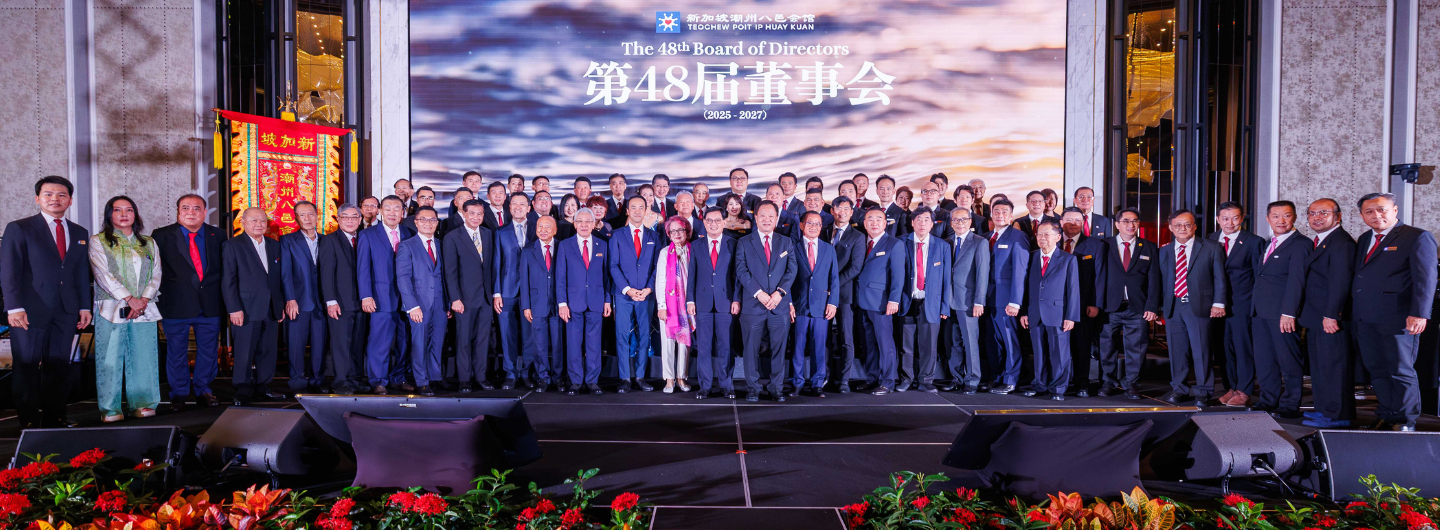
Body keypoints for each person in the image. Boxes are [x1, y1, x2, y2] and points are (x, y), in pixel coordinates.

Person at [2, 176, 92, 428]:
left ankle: (56, 418)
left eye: (61, 195)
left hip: (66, 310)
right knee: (28, 366)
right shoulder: (19, 228)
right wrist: (14, 307)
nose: (55, 199)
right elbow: (9, 270)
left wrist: (84, 306)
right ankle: (28, 421)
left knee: (59, 366)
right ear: (37, 198)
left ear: (70, 200)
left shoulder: (79, 232)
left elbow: (80, 273)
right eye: (49, 194)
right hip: (29, 311)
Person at [1351, 192, 1436, 431]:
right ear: (1361, 216)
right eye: (1369, 211)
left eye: (1382, 209)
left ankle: (1406, 420)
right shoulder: (1365, 238)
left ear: (1395, 210)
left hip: (1399, 317)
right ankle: (1388, 414)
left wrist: (1420, 313)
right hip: (1366, 317)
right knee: (1377, 369)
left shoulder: (1417, 237)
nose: (1376, 215)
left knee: (1400, 369)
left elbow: (1425, 279)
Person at [88, 196, 162, 422]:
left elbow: (156, 274)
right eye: (117, 210)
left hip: (144, 307)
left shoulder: (148, 242)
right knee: (109, 357)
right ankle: (110, 409)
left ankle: (143, 404)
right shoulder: (98, 241)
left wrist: (143, 300)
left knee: (144, 356)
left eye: (129, 210)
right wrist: (130, 299)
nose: (123, 214)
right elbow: (102, 275)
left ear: (135, 215)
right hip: (111, 307)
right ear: (109, 214)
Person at [153, 194, 224, 411]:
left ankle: (203, 389)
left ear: (205, 212)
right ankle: (179, 393)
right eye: (186, 208)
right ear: (178, 211)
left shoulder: (218, 235)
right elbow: (155, 270)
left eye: (196, 208)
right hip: (175, 304)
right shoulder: (161, 235)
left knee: (209, 351)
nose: (191, 212)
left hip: (210, 304)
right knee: (176, 352)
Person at [1158, 210, 1227, 404]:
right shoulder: (1163, 250)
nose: (1183, 228)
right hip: (1173, 307)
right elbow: (1159, 281)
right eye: (1178, 225)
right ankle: (1179, 389)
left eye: (1187, 224)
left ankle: (1203, 392)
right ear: (1171, 228)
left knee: (1201, 350)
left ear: (1195, 226)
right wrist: (1156, 308)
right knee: (1177, 351)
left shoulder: (1211, 247)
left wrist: (1218, 303)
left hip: (1200, 306)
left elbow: (1220, 277)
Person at [1298, 198, 1356, 428]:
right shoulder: (1322, 241)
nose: (1317, 217)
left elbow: (1340, 282)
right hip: (1316, 316)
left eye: (1323, 213)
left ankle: (1338, 414)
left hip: (1330, 318)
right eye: (1312, 213)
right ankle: (1325, 409)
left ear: (1337, 216)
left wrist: (1332, 314)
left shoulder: (1341, 243)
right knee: (1321, 367)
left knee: (1334, 366)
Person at [1251, 201, 1310, 418]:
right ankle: (1268, 400)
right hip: (1260, 312)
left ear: (1294, 218)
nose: (1281, 220)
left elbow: (1297, 281)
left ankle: (1290, 403)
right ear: (1268, 219)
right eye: (1276, 216)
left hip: (1282, 314)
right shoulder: (1269, 243)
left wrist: (1289, 312)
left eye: (1286, 216)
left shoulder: (1300, 244)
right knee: (1265, 359)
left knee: (1288, 360)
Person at [735, 201, 798, 402]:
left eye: (771, 215)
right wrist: (759, 293)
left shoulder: (786, 242)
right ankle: (752, 387)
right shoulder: (744, 242)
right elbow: (741, 271)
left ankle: (776, 387)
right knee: (750, 348)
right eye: (763, 215)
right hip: (754, 305)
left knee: (779, 349)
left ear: (777, 218)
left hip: (778, 305)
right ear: (756, 217)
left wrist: (779, 293)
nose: (767, 219)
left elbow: (792, 270)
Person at [222, 207, 285, 406]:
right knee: (244, 350)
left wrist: (280, 304)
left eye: (262, 221)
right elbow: (228, 280)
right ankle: (242, 388)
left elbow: (278, 279)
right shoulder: (233, 245)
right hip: (245, 308)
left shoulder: (275, 246)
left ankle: (264, 386)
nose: (259, 224)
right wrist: (233, 308)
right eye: (254, 220)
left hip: (271, 307)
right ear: (243, 222)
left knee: (268, 350)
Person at [1096, 208, 1159, 399]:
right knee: (1107, 347)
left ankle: (1132, 384)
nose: (1131, 225)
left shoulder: (1148, 247)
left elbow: (1154, 280)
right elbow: (1097, 277)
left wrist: (1152, 306)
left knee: (1136, 348)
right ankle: (1109, 382)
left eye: (1134, 221)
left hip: (1137, 307)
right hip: (1108, 306)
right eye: (1126, 221)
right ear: (1117, 224)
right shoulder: (1103, 245)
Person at [358, 195, 415, 394]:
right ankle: (378, 380)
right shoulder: (368, 235)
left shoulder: (409, 233)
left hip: (407, 299)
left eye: (396, 209)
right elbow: (363, 268)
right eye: (388, 208)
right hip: (380, 297)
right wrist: (366, 295)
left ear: (403, 213)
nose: (392, 213)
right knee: (379, 341)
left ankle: (398, 377)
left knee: (404, 341)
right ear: (381, 211)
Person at [1210, 202, 1264, 407]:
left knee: (1243, 348)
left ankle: (1244, 390)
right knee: (1223, 349)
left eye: (1235, 218)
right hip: (1216, 304)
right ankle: (1230, 387)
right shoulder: (1210, 239)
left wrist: (1255, 306)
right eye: (1225, 218)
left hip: (1242, 303)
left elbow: (1258, 277)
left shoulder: (1253, 242)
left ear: (1242, 219)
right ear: (1218, 219)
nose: (1230, 222)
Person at [1019, 221, 1080, 400]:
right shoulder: (1030, 257)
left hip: (1059, 314)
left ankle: (1059, 389)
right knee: (1038, 352)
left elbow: (1073, 290)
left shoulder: (1068, 259)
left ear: (1058, 237)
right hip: (1035, 312)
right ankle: (1039, 385)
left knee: (1059, 353)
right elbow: (1025, 287)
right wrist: (1024, 311)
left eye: (1046, 234)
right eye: (1039, 234)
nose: (1042, 238)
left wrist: (1071, 316)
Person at [443, 199, 497, 392]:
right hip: (463, 299)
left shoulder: (489, 235)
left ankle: (481, 377)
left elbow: (492, 267)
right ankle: (465, 379)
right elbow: (450, 271)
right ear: (464, 214)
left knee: (483, 340)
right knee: (463, 339)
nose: (476, 217)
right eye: (472, 213)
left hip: (485, 298)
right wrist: (454, 298)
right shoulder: (452, 237)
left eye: (479, 214)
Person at [610, 195, 662, 392]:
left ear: (646, 210)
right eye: (634, 207)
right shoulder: (616, 235)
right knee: (622, 335)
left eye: (642, 207)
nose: (638, 211)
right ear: (627, 211)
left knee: (644, 337)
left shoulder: (654, 237)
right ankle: (624, 378)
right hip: (624, 295)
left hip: (646, 295)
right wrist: (628, 289)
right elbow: (613, 265)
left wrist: (648, 288)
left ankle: (640, 376)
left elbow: (658, 266)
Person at [688, 207, 740, 399]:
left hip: (726, 302)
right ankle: (705, 386)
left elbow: (738, 276)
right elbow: (691, 274)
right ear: (704, 222)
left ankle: (727, 385)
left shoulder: (733, 244)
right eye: (709, 220)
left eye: (717, 220)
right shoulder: (696, 245)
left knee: (726, 346)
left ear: (724, 222)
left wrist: (736, 299)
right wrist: (690, 300)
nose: (713, 224)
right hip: (702, 303)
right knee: (703, 347)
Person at [558, 209, 611, 395]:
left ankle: (592, 381)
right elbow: (560, 277)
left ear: (593, 223)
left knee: (594, 344)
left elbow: (606, 276)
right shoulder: (565, 245)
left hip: (596, 301)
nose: (584, 224)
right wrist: (562, 303)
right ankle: (575, 381)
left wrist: (607, 300)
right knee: (573, 343)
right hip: (573, 303)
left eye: (588, 221)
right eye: (580, 221)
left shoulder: (602, 245)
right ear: (574, 223)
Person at [899, 207, 951, 393]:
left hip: (932, 303)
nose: (922, 223)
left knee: (929, 345)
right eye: (918, 219)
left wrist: (945, 306)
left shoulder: (943, 246)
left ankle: (926, 380)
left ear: (932, 224)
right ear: (912, 222)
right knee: (906, 345)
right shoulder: (900, 243)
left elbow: (946, 279)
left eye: (926, 220)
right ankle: (906, 378)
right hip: (907, 301)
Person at [396, 206, 446, 396]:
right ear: (416, 222)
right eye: (424, 220)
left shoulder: (441, 244)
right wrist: (412, 306)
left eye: (432, 220)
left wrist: (447, 303)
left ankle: (435, 377)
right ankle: (422, 381)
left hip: (440, 303)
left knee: (437, 342)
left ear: (437, 222)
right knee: (419, 343)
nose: (428, 223)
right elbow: (403, 278)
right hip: (418, 304)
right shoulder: (407, 245)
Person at [280, 201, 329, 393]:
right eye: (302, 215)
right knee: (296, 343)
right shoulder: (287, 240)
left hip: (323, 301)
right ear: (296, 218)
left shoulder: (327, 240)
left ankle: (317, 381)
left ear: (317, 215)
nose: (307, 219)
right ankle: (297, 381)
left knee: (320, 344)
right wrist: (290, 299)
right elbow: (285, 273)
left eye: (310, 214)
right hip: (298, 301)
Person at [1057, 207, 1107, 397]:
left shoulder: (1095, 245)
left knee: (1082, 345)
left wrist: (1095, 304)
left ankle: (1082, 384)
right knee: (1058, 346)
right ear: (1061, 222)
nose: (1073, 224)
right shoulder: (1051, 241)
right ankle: (1059, 382)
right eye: (1069, 220)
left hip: (1084, 305)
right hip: (1056, 304)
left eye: (1078, 220)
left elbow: (1099, 277)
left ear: (1083, 223)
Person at [789, 211, 839, 397]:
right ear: (801, 225)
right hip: (799, 304)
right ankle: (796, 382)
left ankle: (817, 383)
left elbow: (834, 279)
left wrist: (833, 302)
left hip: (821, 306)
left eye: (818, 224)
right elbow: (786, 278)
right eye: (810, 223)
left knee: (819, 346)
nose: (814, 227)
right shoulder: (792, 247)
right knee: (798, 346)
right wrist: (788, 302)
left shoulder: (828, 249)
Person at [856, 207, 905, 395]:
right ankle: (872, 378)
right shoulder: (862, 242)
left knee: (885, 343)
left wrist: (894, 299)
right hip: (862, 301)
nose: (874, 223)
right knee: (869, 343)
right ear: (864, 223)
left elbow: (898, 276)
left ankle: (888, 381)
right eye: (870, 219)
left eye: (879, 219)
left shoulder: (893, 244)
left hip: (882, 303)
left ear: (885, 223)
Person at [318, 203, 366, 395]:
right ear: (338, 219)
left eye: (354, 217)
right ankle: (341, 380)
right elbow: (326, 273)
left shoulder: (363, 238)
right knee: (340, 343)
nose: (350, 220)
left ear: (360, 220)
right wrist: (330, 301)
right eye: (345, 217)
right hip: (339, 302)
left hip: (361, 302)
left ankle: (355, 378)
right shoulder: (330, 241)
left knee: (357, 343)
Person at [984, 199, 1030, 394]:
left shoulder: (1018, 237)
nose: (1000, 214)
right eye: (996, 211)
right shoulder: (986, 236)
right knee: (994, 341)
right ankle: (998, 377)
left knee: (1010, 341)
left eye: (1005, 211)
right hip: (988, 299)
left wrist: (1015, 301)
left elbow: (1021, 271)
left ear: (1011, 216)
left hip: (1007, 301)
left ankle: (1011, 379)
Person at [941, 207, 989, 394]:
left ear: (970, 222)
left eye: (963, 220)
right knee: (952, 343)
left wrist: (979, 301)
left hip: (968, 301)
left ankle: (972, 380)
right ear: (951, 222)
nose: (959, 223)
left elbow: (982, 275)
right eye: (956, 220)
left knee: (970, 342)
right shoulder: (946, 242)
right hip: (948, 301)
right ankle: (956, 378)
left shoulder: (979, 242)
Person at [495, 192, 537, 388]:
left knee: (530, 334)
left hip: (532, 291)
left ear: (529, 207)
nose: (518, 207)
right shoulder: (500, 233)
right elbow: (496, 265)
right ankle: (510, 373)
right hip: (507, 290)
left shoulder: (539, 229)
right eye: (514, 204)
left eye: (522, 204)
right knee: (507, 334)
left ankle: (527, 371)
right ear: (508, 208)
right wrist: (497, 292)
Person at [519, 216, 563, 392]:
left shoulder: (563, 247)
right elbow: (524, 280)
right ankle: (543, 377)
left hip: (559, 303)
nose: (543, 230)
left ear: (555, 230)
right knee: (540, 343)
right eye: (540, 226)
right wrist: (526, 305)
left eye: (547, 227)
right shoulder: (528, 250)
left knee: (559, 342)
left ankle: (559, 377)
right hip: (537, 304)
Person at [828, 198, 866, 393]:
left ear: (852, 212)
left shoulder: (858, 236)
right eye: (838, 208)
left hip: (844, 294)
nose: (841, 212)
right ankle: (824, 377)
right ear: (832, 210)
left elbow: (855, 268)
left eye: (846, 209)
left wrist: (832, 286)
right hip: (821, 293)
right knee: (823, 337)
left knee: (846, 337)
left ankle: (844, 379)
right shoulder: (824, 229)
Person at [655, 216, 695, 394]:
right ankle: (669, 379)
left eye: (681, 230)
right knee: (668, 342)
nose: (677, 234)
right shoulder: (665, 252)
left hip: (688, 304)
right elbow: (660, 281)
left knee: (684, 343)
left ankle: (681, 377)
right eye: (673, 231)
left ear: (687, 232)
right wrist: (661, 305)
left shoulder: (693, 250)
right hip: (670, 305)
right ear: (668, 234)